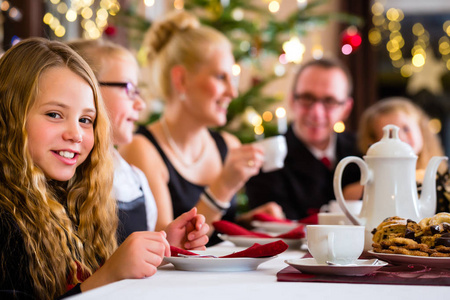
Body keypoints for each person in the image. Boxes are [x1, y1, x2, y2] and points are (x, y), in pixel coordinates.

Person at [0, 38, 206, 300]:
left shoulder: (74, 200)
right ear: (9, 116)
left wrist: (163, 251)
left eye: (86, 120)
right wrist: (108, 276)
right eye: (54, 114)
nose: (75, 134)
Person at [119, 10, 284, 245]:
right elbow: (166, 248)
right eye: (220, 77)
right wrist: (222, 188)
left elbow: (217, 235)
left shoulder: (228, 145)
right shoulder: (141, 150)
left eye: (232, 79)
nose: (233, 92)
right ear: (181, 80)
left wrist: (249, 221)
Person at [67, 38, 209, 247]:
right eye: (129, 89)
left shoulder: (135, 181)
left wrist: (167, 244)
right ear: (88, 88)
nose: (140, 103)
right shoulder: (64, 178)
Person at [246, 58, 362, 220]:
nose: (316, 112)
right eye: (307, 98)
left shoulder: (363, 151)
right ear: (292, 100)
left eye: (329, 101)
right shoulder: (267, 159)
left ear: (346, 109)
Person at [344, 97, 449, 212]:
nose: (401, 138)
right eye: (390, 134)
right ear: (374, 143)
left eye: (406, 129)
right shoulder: (369, 180)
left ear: (421, 129)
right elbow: (348, 194)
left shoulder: (441, 178)